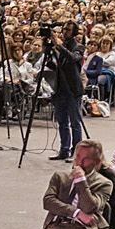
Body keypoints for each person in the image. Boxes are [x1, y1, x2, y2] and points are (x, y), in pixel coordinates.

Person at [47, 21, 85, 160]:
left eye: (68, 30)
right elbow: (56, 67)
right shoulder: (59, 47)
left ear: (74, 32)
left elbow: (73, 58)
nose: (65, 32)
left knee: (75, 122)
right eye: (64, 29)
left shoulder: (79, 47)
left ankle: (76, 152)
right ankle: (64, 150)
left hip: (72, 89)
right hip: (60, 88)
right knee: (62, 121)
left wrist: (59, 46)